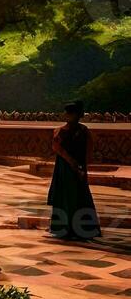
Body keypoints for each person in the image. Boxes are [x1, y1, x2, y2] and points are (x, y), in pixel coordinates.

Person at [47, 101, 100, 241]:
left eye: (69, 113)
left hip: (74, 167)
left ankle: (79, 228)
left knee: (79, 196)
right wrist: (74, 164)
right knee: (66, 196)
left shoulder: (83, 131)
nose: (67, 116)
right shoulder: (60, 131)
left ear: (76, 115)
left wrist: (81, 166)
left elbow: (89, 149)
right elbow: (57, 148)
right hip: (65, 168)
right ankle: (67, 228)